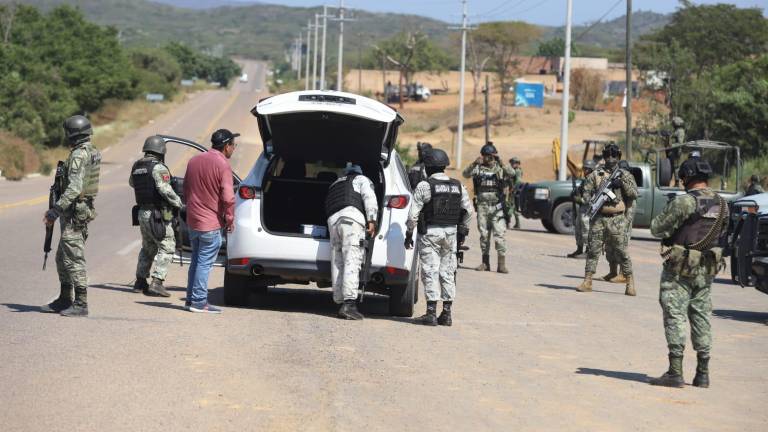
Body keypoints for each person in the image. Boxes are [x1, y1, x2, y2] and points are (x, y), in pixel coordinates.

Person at [649, 157, 727, 388]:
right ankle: (702, 373)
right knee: (701, 316)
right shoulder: (722, 204)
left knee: (675, 314)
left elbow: (656, 228)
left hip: (680, 270)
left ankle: (675, 372)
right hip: (706, 269)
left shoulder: (684, 202)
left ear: (688, 177)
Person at [40, 115, 101, 317]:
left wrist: (55, 210)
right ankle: (65, 298)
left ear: (71, 134)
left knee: (74, 258)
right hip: (78, 210)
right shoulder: (91, 151)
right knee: (61, 257)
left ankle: (81, 303)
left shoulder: (77, 155)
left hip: (75, 212)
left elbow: (75, 187)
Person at [405, 149, 473, 326]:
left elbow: (413, 215)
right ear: (444, 166)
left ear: (427, 167)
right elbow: (468, 212)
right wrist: (462, 233)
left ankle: (431, 313)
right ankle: (447, 314)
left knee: (430, 271)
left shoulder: (424, 185)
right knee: (448, 271)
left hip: (430, 233)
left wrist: (408, 234)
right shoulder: (458, 186)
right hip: (450, 233)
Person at [183, 128, 237, 313]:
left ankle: (190, 299)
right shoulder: (222, 165)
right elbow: (229, 197)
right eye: (233, 145)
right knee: (204, 263)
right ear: (226, 146)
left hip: (193, 221)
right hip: (210, 223)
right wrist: (230, 219)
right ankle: (199, 302)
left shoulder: (193, 160)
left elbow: (186, 189)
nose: (234, 149)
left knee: (196, 261)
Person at [577, 143, 638, 296]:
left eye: (614, 156)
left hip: (617, 219)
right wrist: (597, 195)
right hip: (599, 218)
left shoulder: (625, 175)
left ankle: (630, 282)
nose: (610, 159)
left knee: (622, 252)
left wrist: (620, 184)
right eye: (607, 156)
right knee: (593, 250)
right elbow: (585, 196)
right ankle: (587, 280)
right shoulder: (596, 175)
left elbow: (633, 194)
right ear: (604, 157)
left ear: (618, 157)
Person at [129, 135, 183, 297]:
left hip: (142, 212)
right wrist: (179, 203)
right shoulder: (159, 168)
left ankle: (140, 281)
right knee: (167, 245)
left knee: (148, 247)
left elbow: (132, 183)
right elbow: (164, 189)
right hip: (157, 214)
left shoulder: (137, 166)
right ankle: (157, 282)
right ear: (161, 151)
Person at [325, 163, 378, 320]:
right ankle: (349, 304)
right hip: (351, 219)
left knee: (337, 260)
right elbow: (369, 198)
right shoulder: (362, 180)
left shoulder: (335, 184)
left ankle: (340, 300)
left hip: (333, 221)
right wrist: (372, 220)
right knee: (351, 259)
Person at [462, 142, 513, 273]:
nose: (488, 159)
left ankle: (501, 264)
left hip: (497, 207)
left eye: (490, 156)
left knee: (500, 235)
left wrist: (501, 162)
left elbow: (512, 173)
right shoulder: (478, 168)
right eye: (485, 156)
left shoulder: (500, 168)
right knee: (484, 236)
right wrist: (474, 163)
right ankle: (485, 263)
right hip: (482, 207)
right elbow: (465, 174)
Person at [602, 160, 636, 283]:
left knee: (622, 246)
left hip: (626, 218)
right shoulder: (616, 179)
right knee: (610, 246)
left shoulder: (629, 180)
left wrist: (622, 183)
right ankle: (612, 271)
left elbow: (633, 194)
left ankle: (624, 274)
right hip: (616, 218)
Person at [568, 159, 596, 258]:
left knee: (586, 229)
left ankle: (588, 251)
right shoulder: (585, 181)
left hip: (589, 209)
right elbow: (580, 192)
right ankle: (579, 249)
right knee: (578, 228)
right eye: (584, 168)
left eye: (586, 169)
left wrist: (579, 199)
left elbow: (590, 198)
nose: (584, 171)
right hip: (582, 209)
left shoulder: (593, 181)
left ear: (590, 169)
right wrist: (575, 193)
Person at [507, 156, 523, 229]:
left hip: (514, 191)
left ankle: (507, 223)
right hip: (515, 191)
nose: (512, 164)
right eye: (512, 163)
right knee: (514, 207)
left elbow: (518, 181)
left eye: (513, 163)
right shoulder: (516, 170)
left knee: (510, 206)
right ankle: (517, 224)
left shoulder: (517, 171)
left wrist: (513, 189)